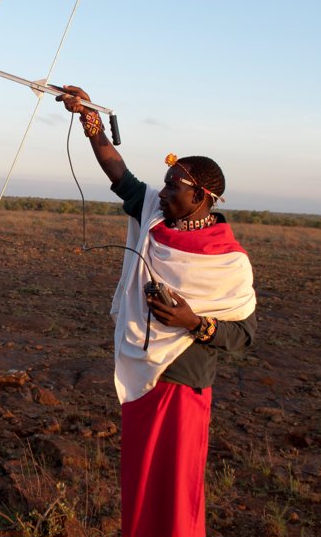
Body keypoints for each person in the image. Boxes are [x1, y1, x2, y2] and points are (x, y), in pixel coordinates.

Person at [56, 85, 257, 537]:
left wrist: (194, 323)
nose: (162, 192)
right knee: (141, 483)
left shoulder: (229, 260)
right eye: (165, 184)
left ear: (201, 197)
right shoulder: (154, 215)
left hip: (184, 383)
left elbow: (244, 334)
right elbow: (118, 172)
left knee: (175, 491)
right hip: (142, 373)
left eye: (173, 187)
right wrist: (88, 118)